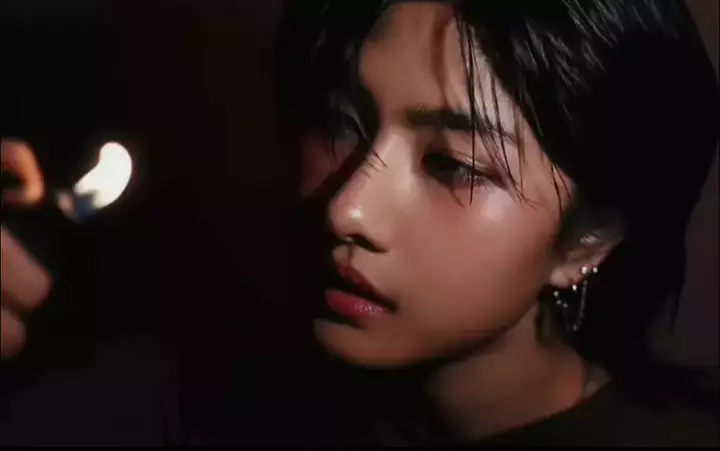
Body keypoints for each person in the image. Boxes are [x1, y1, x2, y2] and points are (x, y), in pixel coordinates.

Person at [2, 0, 718, 446]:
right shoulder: (210, 403)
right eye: (342, 122)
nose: (348, 209)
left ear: (590, 239)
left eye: (451, 164)